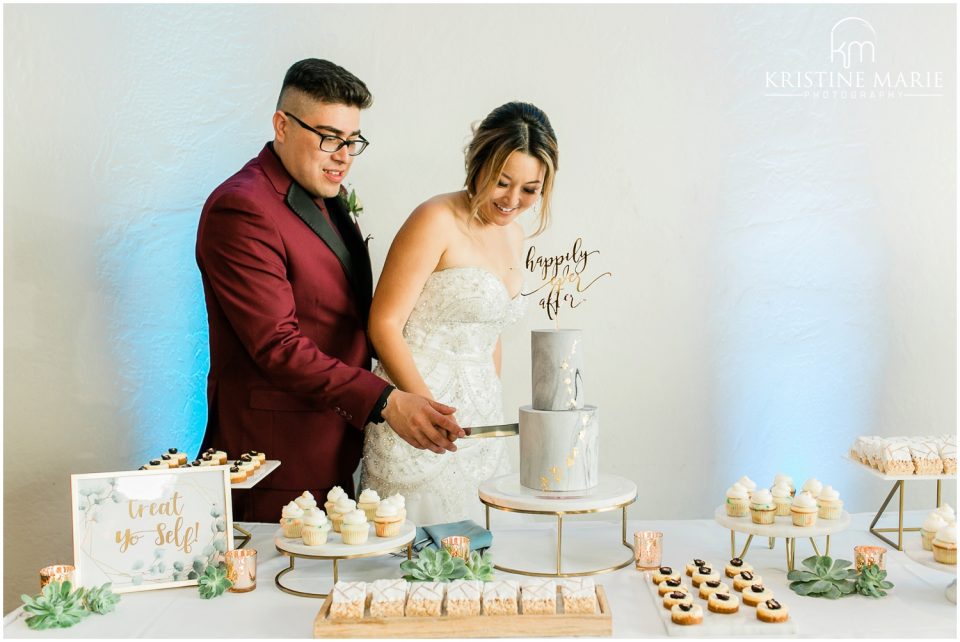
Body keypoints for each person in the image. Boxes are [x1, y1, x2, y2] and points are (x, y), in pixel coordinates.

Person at [196, 59, 463, 523]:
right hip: (274, 458)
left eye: (352, 141)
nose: (343, 155)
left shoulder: (322, 194)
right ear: (282, 125)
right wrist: (384, 400)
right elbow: (277, 345)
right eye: (329, 138)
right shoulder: (241, 208)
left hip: (335, 446)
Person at [360, 102, 559, 525]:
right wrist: (422, 406)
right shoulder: (435, 218)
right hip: (417, 410)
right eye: (502, 182)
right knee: (412, 560)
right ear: (478, 162)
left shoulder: (516, 236)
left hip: (481, 421)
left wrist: (491, 403)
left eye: (530, 189)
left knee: (482, 559)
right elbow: (384, 322)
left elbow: (492, 330)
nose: (512, 200)